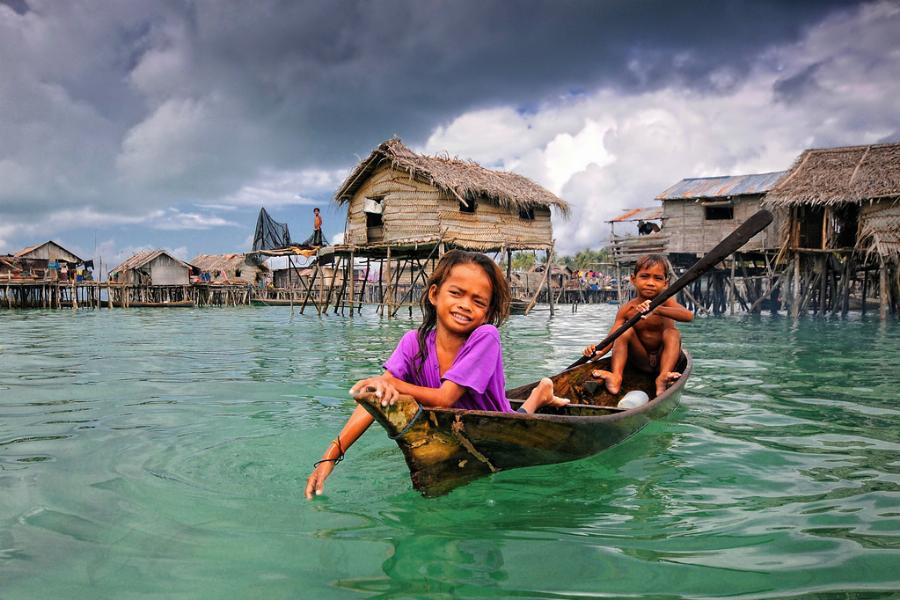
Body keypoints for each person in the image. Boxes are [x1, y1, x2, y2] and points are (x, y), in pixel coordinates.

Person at [305, 250, 569, 498]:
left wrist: (392, 383)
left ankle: (540, 393)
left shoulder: (486, 336)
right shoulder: (413, 343)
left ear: (487, 312)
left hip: (503, 429)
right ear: (434, 294)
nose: (465, 305)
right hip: (457, 433)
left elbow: (445, 398)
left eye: (478, 301)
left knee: (519, 416)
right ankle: (541, 392)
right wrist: (331, 456)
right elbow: (376, 399)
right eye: (456, 293)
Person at [582, 254, 692, 397]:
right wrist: (596, 352)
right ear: (633, 279)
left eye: (657, 278)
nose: (650, 283)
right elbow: (613, 337)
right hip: (641, 360)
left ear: (665, 283)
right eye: (644, 276)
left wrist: (657, 309)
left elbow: (688, 316)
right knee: (624, 331)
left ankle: (662, 377)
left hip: (664, 360)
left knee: (672, 333)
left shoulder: (666, 302)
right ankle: (616, 377)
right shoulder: (628, 309)